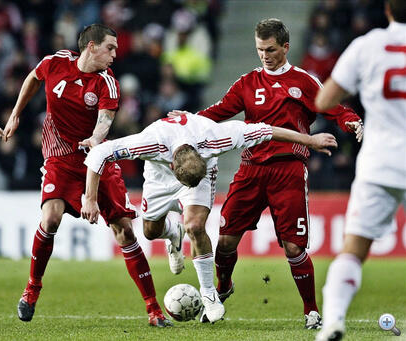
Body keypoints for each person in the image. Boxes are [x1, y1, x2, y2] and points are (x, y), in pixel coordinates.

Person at [170, 18, 363, 329]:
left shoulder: (304, 82)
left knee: (294, 247)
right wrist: (187, 120)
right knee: (226, 241)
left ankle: (311, 310)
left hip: (288, 170)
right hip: (250, 170)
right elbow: (218, 112)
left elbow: (335, 108)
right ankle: (223, 286)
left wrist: (350, 120)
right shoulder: (247, 83)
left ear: (285, 47)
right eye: (260, 49)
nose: (265, 55)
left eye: (270, 49)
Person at [81, 113, 338, 323]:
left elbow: (268, 130)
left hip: (200, 175)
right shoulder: (150, 142)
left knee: (194, 225)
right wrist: (90, 198)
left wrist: (309, 141)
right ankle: (173, 232)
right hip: (159, 178)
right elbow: (98, 154)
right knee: (150, 231)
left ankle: (209, 295)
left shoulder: (216, 137)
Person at [3, 24, 172, 327]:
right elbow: (33, 77)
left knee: (125, 231)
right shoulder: (55, 62)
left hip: (98, 157)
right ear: (91, 47)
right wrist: (17, 112)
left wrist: (96, 139)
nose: (115, 54)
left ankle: (153, 310)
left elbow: (104, 123)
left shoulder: (107, 84)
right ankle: (32, 290)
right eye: (110, 48)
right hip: (60, 156)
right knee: (50, 218)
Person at [314, 1, 406, 340]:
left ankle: (333, 321)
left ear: (387, 10)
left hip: (379, 163)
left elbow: (323, 102)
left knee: (353, 249)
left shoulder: (367, 46)